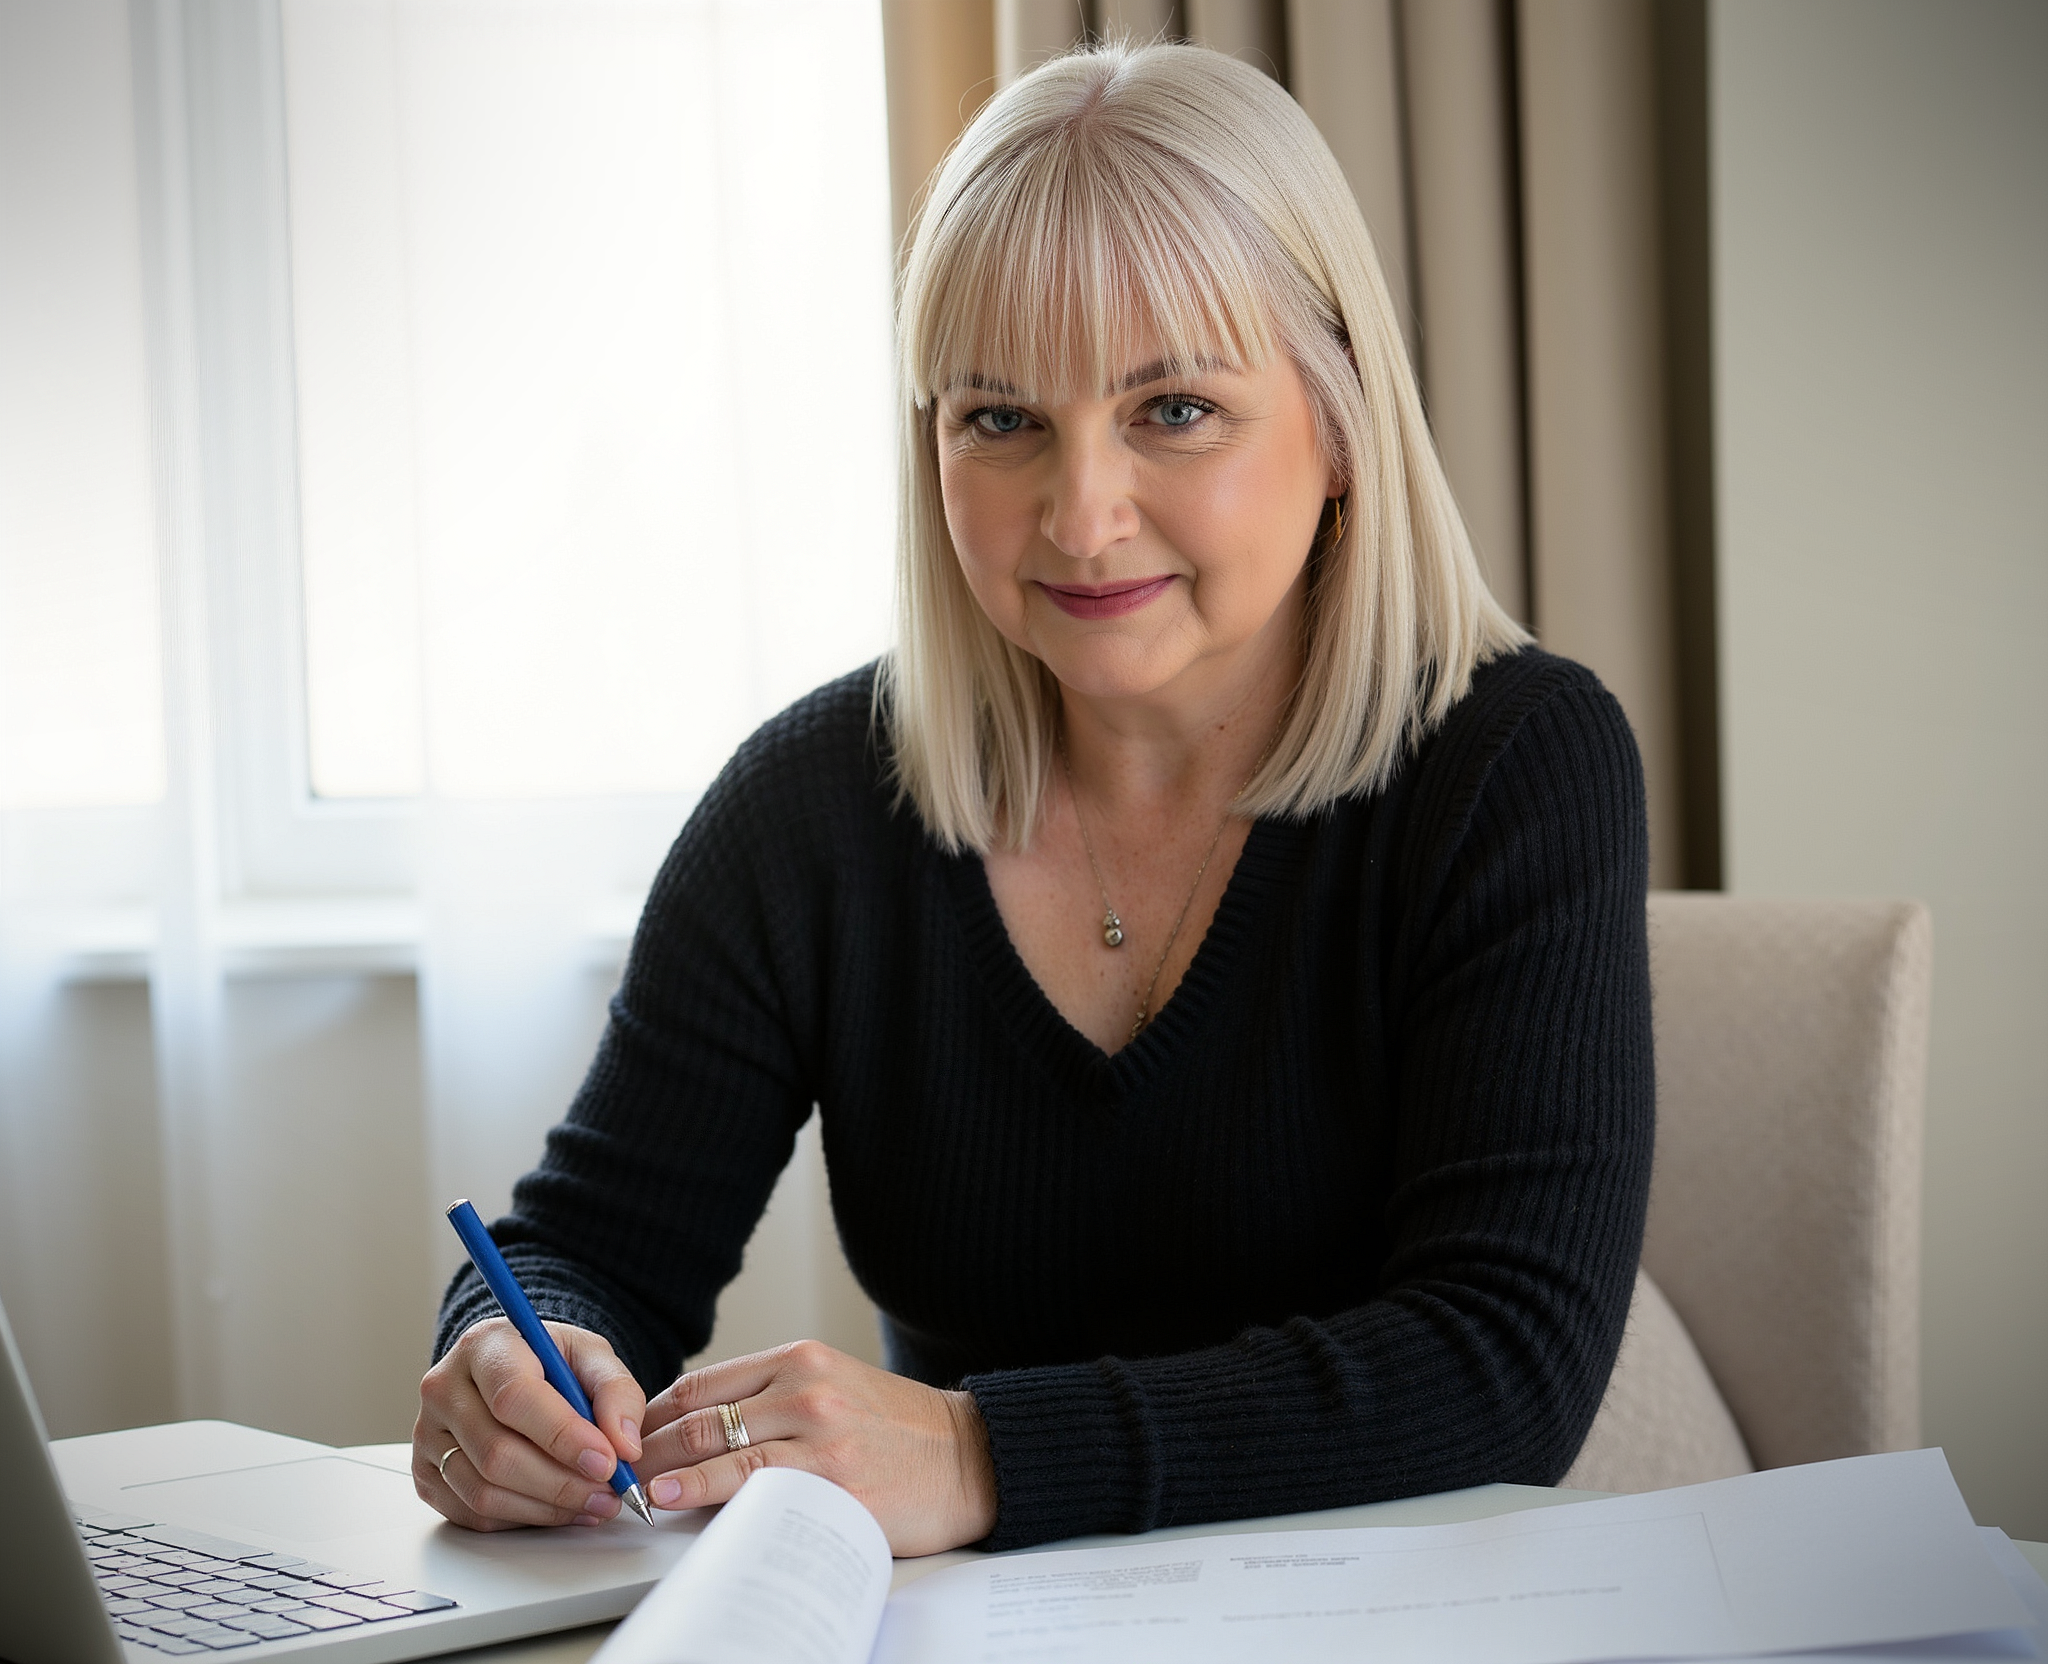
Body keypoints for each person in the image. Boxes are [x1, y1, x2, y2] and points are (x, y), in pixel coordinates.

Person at [413, 39, 1653, 1558]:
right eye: (999, 418)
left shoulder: (1515, 766)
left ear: (1337, 424)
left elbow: (1503, 1364)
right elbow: (588, 1245)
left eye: (1176, 409)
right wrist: (511, 1352)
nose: (1079, 513)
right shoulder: (814, 807)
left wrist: (978, 1451)